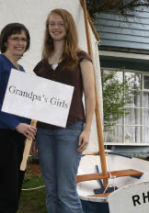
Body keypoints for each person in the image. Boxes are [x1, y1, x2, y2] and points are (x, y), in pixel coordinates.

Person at [33, 8, 95, 213]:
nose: (56, 27)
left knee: (66, 191)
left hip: (70, 130)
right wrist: (32, 137)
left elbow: (90, 95)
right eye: (52, 24)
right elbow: (35, 101)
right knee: (51, 191)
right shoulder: (41, 66)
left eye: (60, 23)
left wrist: (87, 130)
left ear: (68, 27)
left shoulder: (81, 58)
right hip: (43, 133)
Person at [0, 23, 37, 213]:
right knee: (6, 195)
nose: (20, 42)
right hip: (0, 135)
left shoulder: (21, 71)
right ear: (6, 40)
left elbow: (24, 108)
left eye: (23, 39)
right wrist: (15, 125)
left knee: (13, 195)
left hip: (18, 137)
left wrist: (31, 133)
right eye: (15, 38)